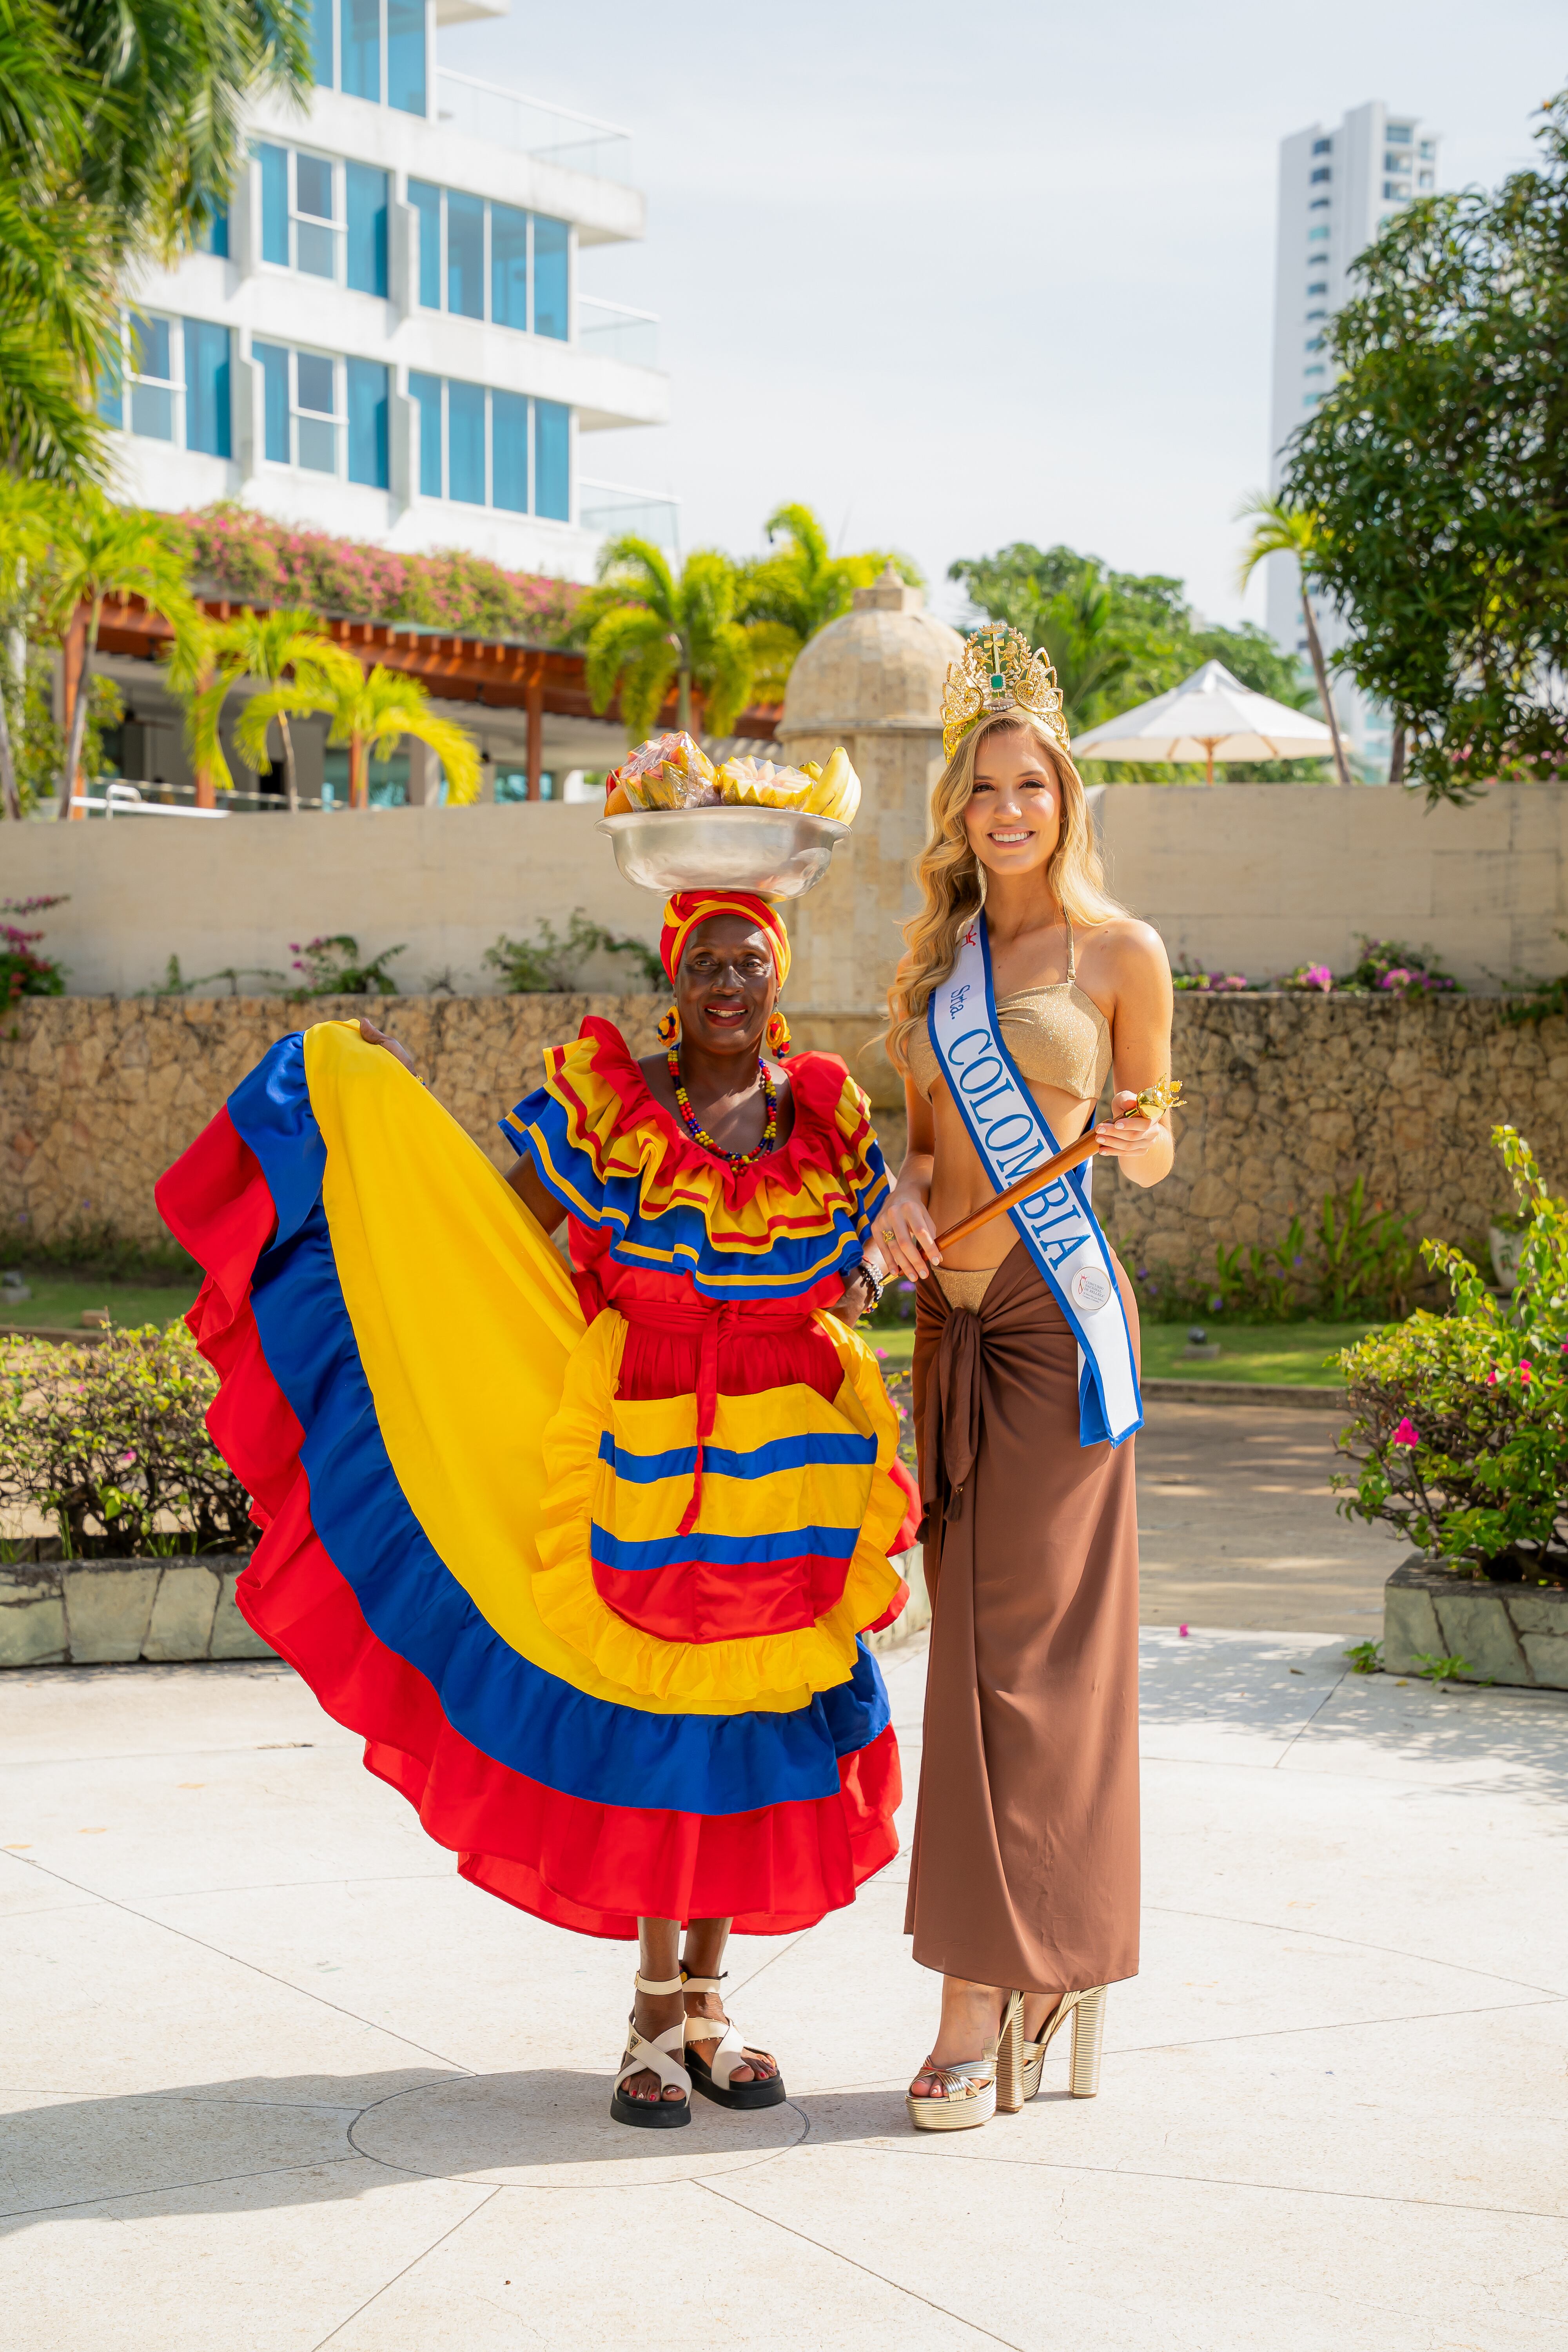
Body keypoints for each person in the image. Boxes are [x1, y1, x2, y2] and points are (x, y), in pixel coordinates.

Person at [156, 883, 912, 2131]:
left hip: (792, 1465)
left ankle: (714, 2010)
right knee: (655, 1718)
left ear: (780, 986)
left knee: (751, 1721)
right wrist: (393, 1138)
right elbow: (488, 1217)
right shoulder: (611, 1109)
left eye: (751, 966)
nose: (728, 986)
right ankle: (652, 2023)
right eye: (705, 965)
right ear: (673, 986)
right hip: (647, 1450)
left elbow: (866, 1255)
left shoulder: (829, 1121)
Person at [874, 626, 1175, 2131]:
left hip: (1060, 1338)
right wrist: (896, 1198)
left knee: (1037, 1679)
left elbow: (1156, 1132)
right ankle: (1034, 1976)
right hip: (954, 1337)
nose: (1007, 809)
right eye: (985, 786)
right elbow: (922, 1156)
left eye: (1031, 785)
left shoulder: (1123, 956)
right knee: (972, 1674)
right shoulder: (936, 970)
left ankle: (985, 1997)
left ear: (1067, 798)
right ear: (960, 804)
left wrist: (1139, 1141)